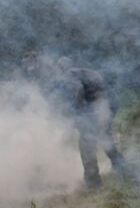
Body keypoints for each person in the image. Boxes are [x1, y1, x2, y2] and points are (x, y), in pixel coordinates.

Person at [21, 52, 131, 188]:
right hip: (110, 104)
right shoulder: (83, 71)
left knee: (87, 145)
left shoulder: (70, 74)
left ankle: (93, 184)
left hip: (100, 106)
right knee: (105, 139)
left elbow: (78, 90)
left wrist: (80, 113)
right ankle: (126, 173)